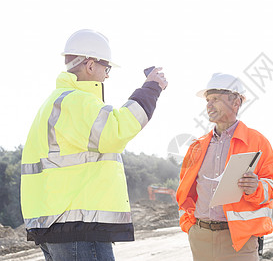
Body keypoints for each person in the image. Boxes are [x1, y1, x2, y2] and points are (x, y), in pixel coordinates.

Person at [20, 29, 168, 261]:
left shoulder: (54, 102)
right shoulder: (76, 101)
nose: (107, 76)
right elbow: (117, 131)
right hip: (78, 228)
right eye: (106, 68)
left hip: (56, 225)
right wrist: (150, 90)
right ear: (90, 65)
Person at [177, 73, 273, 261]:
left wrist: (256, 187)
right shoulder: (196, 147)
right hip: (200, 238)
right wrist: (190, 227)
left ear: (236, 103)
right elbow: (185, 192)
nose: (209, 105)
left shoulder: (257, 141)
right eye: (208, 100)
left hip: (239, 241)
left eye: (215, 99)